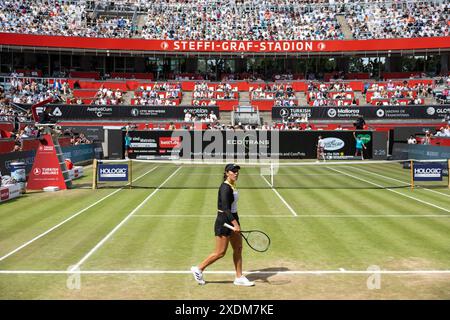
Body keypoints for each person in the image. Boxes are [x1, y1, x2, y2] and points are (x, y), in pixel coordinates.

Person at [191, 163, 254, 287]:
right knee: (220, 252)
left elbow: (233, 208)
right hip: (224, 221)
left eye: (237, 171)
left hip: (233, 219)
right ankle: (198, 269)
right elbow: (225, 208)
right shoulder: (225, 187)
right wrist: (235, 224)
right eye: (233, 171)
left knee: (238, 248)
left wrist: (236, 222)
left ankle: (239, 277)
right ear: (226, 173)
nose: (236, 173)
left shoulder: (233, 185)